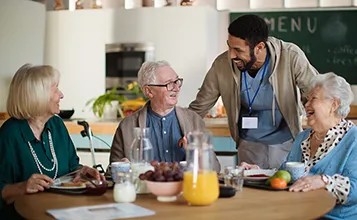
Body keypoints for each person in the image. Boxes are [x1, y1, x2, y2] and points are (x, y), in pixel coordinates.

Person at [188, 14, 319, 169]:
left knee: (284, 187)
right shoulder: (222, 65)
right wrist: (183, 130)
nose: (231, 55)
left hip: (286, 145)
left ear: (259, 47)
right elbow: (199, 106)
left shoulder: (291, 56)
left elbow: (316, 95)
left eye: (237, 50)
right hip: (248, 147)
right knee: (251, 191)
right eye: (229, 47)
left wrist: (317, 135)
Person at [242, 73, 357, 219]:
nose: (306, 104)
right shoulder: (303, 137)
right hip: (299, 213)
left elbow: (355, 190)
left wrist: (324, 181)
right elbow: (287, 175)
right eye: (307, 99)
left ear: (333, 105)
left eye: (313, 99)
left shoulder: (353, 139)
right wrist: (258, 172)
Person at [0, 64, 105, 218]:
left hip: (63, 212)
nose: (61, 95)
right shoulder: (10, 135)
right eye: (55, 89)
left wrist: (81, 172)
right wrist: (22, 187)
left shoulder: (57, 125)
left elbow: (71, 168)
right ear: (37, 94)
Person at [108, 60, 221, 172]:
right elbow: (112, 171)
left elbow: (215, 169)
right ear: (149, 91)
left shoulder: (193, 120)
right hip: (145, 189)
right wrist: (122, 167)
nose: (176, 88)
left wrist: (198, 154)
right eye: (169, 84)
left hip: (185, 189)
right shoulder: (127, 126)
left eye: (177, 81)